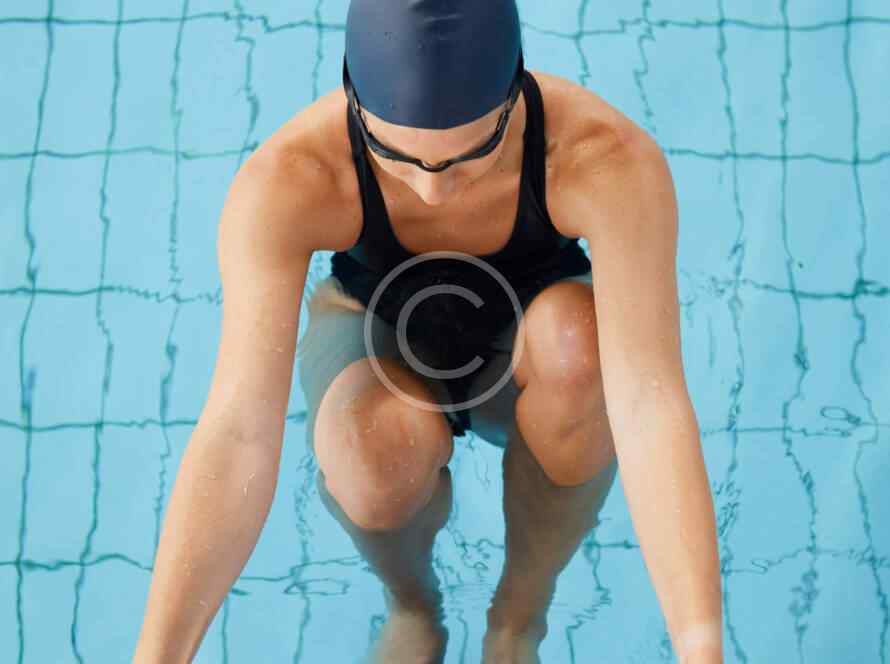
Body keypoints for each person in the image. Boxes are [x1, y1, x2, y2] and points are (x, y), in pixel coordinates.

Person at [132, 1, 723, 663]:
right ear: (354, 104)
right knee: (365, 451)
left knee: (580, 350)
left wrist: (701, 647)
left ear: (516, 94)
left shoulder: (601, 158)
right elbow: (238, 431)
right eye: (394, 155)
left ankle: (520, 613)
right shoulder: (291, 179)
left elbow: (649, 406)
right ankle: (412, 604)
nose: (432, 191)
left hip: (533, 349)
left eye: (472, 156)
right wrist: (157, 656)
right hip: (377, 335)